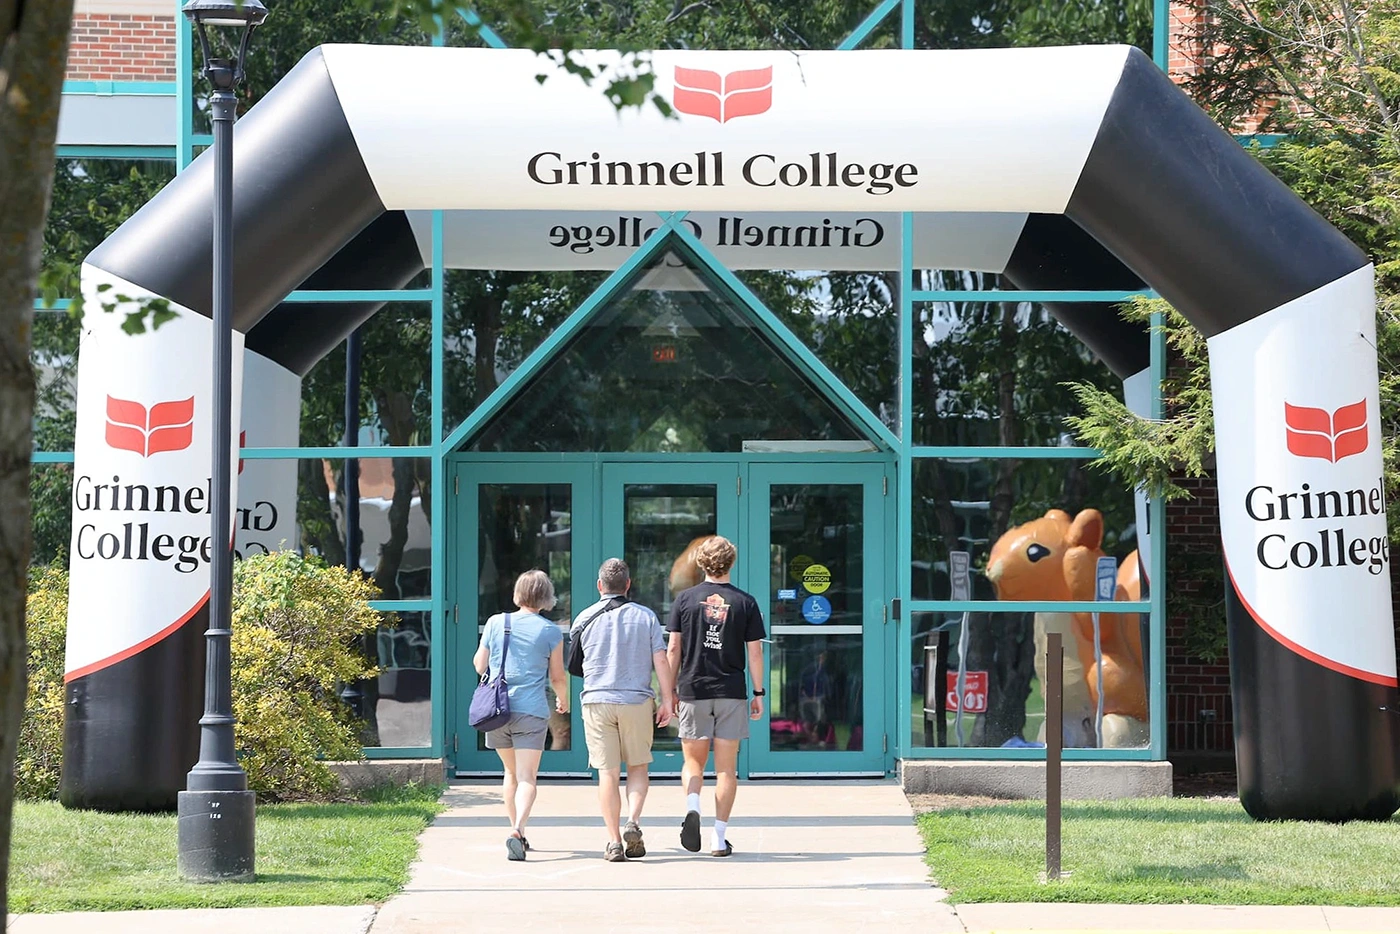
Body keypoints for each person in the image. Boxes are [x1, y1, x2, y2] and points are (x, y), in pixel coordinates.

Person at [666, 535, 765, 858]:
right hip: (731, 693)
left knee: (692, 762)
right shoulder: (745, 603)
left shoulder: (684, 600)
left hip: (693, 690)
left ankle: (693, 806)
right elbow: (755, 654)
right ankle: (718, 838)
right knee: (726, 770)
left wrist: (668, 691)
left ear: (700, 563)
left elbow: (673, 648)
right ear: (731, 563)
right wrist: (759, 692)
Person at [572, 558, 676, 862]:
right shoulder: (646, 617)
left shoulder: (584, 618)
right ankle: (633, 821)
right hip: (636, 701)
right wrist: (667, 700)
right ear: (628, 585)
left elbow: (575, 664)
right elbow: (661, 660)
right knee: (638, 768)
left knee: (607, 773)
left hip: (597, 701)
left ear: (599, 585)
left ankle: (614, 841)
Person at [474, 569, 568, 862]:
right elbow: (556, 676)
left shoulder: (496, 622)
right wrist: (563, 701)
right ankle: (518, 830)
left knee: (510, 773)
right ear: (546, 597)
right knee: (528, 777)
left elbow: (480, 665)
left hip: (497, 710)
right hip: (531, 710)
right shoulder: (551, 632)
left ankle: (517, 831)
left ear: (518, 593)